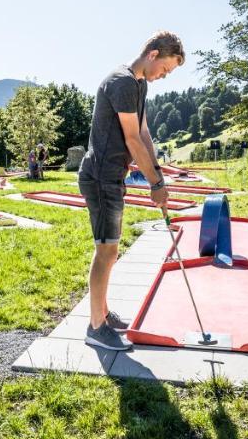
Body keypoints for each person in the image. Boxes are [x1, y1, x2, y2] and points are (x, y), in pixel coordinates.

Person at [78, 30, 184, 351]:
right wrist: (154, 184)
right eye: (165, 69)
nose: (163, 76)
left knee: (110, 249)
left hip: (113, 177)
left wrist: (159, 176)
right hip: (100, 176)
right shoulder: (121, 82)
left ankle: (103, 314)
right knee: (106, 250)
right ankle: (96, 328)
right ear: (153, 54)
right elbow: (131, 140)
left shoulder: (138, 84)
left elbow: (144, 131)